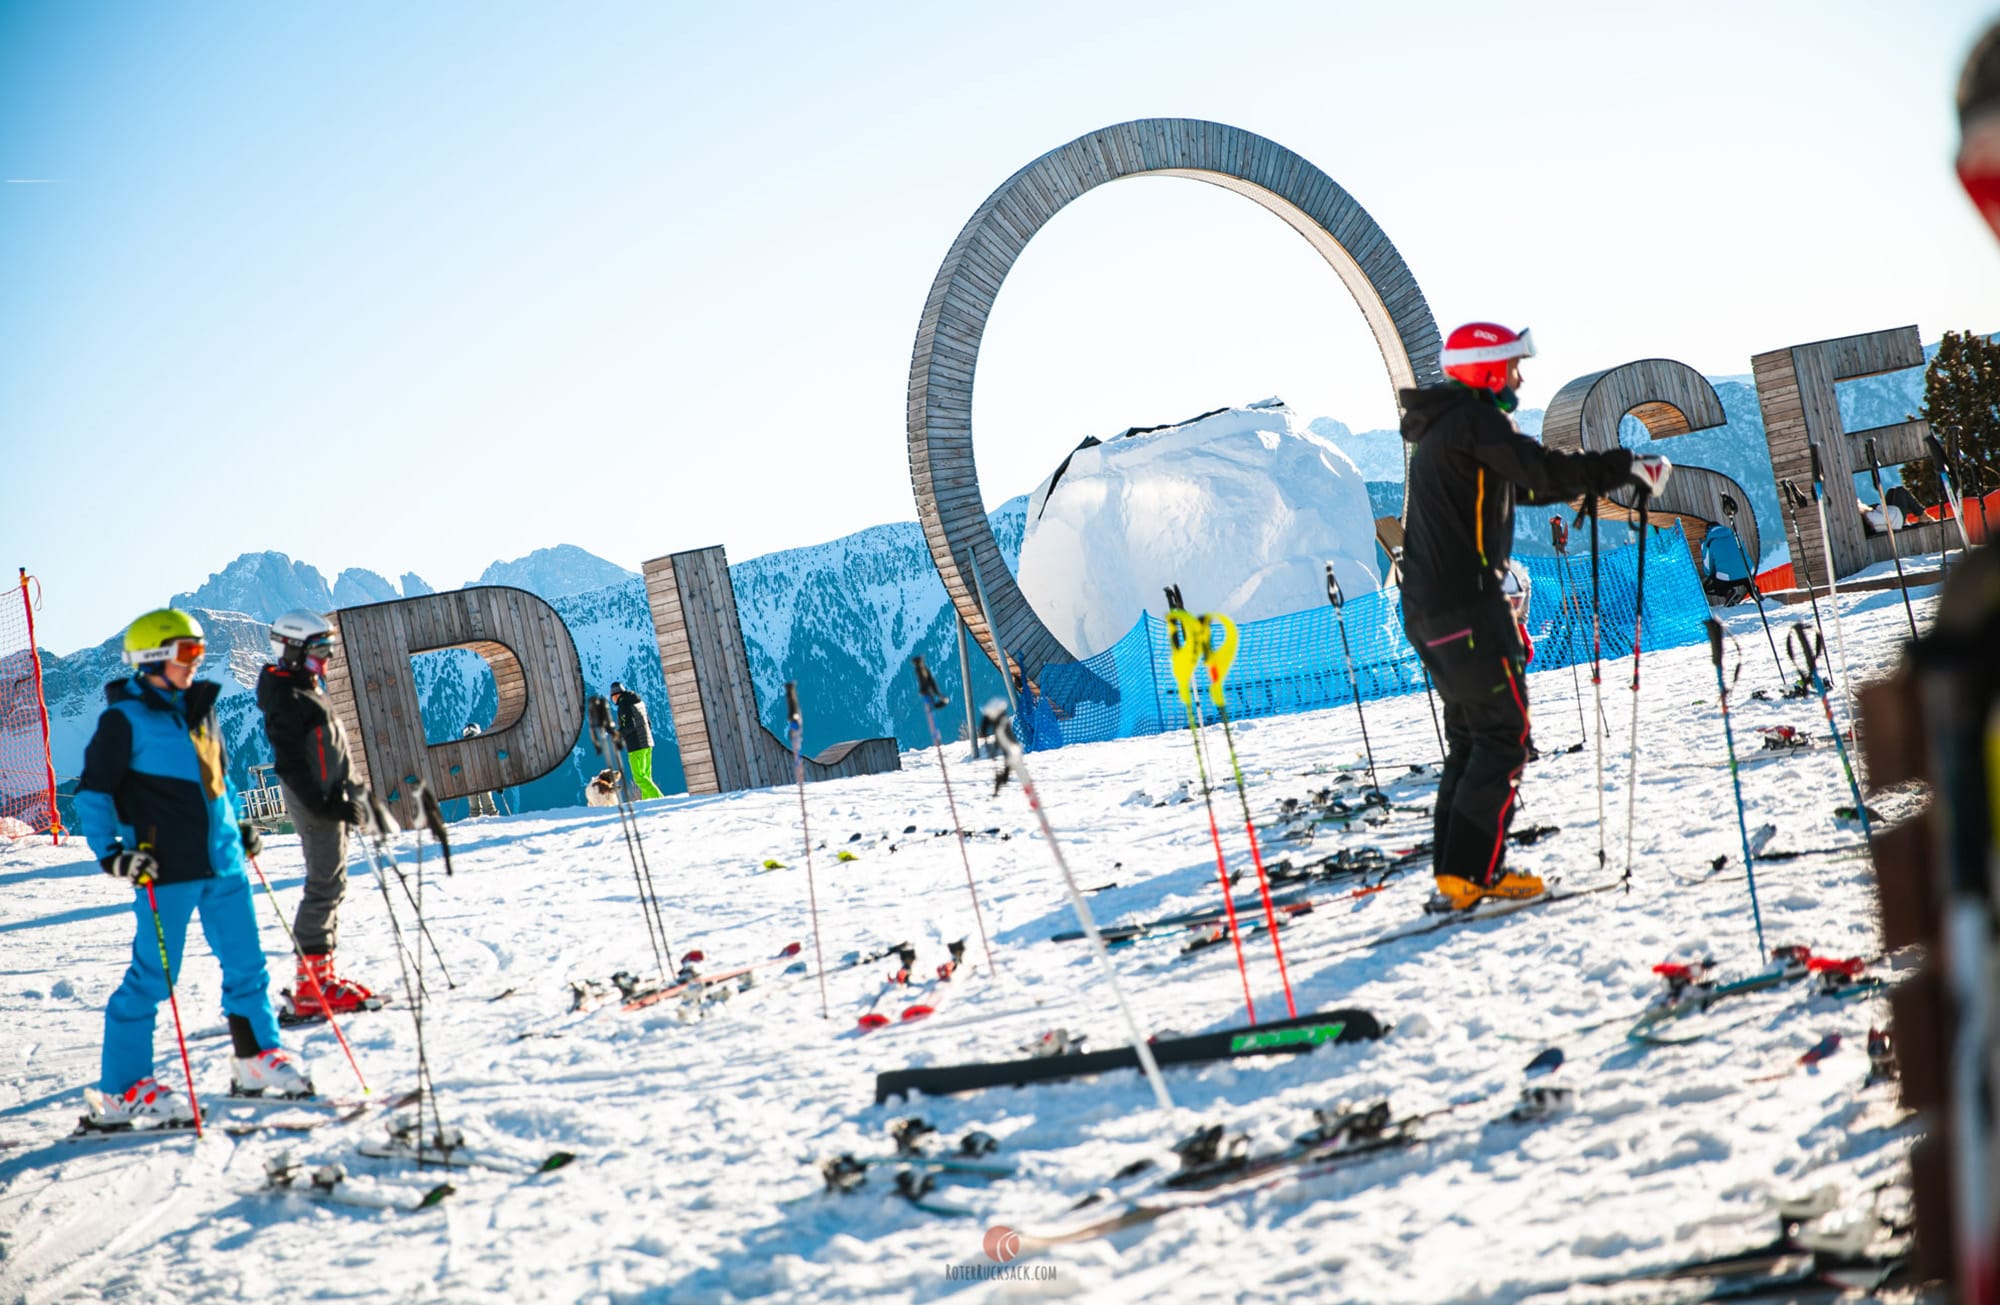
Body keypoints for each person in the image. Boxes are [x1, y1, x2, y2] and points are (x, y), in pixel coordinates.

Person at [1399, 323, 1670, 911]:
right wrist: (1625, 466)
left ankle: (1459, 875)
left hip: (1430, 609)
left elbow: (1521, 485)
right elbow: (1541, 472)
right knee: (1503, 737)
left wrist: (1602, 473)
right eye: (1513, 365)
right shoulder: (1476, 422)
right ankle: (1475, 875)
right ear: (1489, 371)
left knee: (1473, 739)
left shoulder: (1447, 430)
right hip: (1468, 606)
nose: (1520, 377)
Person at [76, 608, 312, 1124]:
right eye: (187, 652)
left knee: (248, 967)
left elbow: (217, 786)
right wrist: (113, 852)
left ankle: (255, 1059)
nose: (197, 661)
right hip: (166, 869)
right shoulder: (124, 721)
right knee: (152, 979)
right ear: (154, 658)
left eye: (199, 651)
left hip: (224, 864)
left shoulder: (201, 711)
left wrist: (236, 827)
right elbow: (92, 793)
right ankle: (121, 1090)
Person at [257, 610, 376, 1019]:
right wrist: (326, 803)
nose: (328, 655)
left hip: (331, 797)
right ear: (292, 648)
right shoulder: (288, 696)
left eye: (331, 646)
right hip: (316, 802)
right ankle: (312, 986)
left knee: (333, 881)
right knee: (324, 883)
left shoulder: (306, 686)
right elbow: (291, 763)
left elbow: (332, 747)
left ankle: (322, 976)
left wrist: (353, 790)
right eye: (320, 647)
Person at [609, 682, 664, 799]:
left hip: (636, 746)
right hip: (648, 742)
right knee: (646, 777)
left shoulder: (624, 706)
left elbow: (629, 726)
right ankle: (648, 802)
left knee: (639, 778)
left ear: (616, 695)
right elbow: (649, 723)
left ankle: (660, 799)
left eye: (612, 697)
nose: (612, 700)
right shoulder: (639, 702)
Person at [459, 722, 500, 817]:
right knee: (487, 804)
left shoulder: (463, 749)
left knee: (475, 807)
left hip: (471, 779)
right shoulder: (483, 747)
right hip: (482, 777)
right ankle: (491, 817)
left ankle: (477, 820)